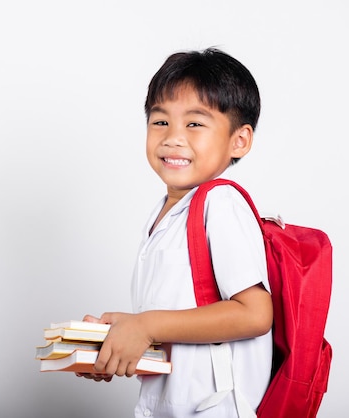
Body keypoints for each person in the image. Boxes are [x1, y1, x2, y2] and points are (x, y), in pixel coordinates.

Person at [77, 47, 273, 418]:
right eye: (160, 121)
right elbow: (180, 323)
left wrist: (147, 326)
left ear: (240, 140)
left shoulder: (220, 203)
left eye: (195, 123)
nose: (173, 138)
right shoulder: (163, 214)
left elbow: (254, 314)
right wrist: (121, 340)